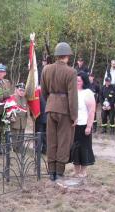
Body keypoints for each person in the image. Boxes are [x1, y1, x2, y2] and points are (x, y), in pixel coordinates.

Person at [41, 42, 78, 181]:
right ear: (67, 55)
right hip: (65, 110)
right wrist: (74, 116)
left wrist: (51, 101)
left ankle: (51, 171)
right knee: (63, 140)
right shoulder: (71, 71)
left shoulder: (46, 69)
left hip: (50, 107)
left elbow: (43, 92)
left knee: (51, 139)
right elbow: (73, 96)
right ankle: (59, 171)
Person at [70, 71, 96, 178]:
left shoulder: (88, 92)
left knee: (84, 148)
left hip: (84, 125)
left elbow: (91, 111)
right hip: (74, 125)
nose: (77, 82)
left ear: (84, 81)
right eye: (76, 80)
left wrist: (89, 126)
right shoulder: (73, 92)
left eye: (79, 80)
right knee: (75, 148)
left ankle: (83, 171)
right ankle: (76, 171)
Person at [9, 83, 28, 153]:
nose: (22, 92)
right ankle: (14, 149)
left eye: (23, 91)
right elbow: (8, 109)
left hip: (22, 121)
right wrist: (11, 117)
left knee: (21, 135)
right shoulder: (12, 97)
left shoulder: (25, 99)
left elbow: (26, 109)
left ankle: (19, 149)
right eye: (20, 90)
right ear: (16, 90)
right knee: (14, 135)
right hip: (15, 120)